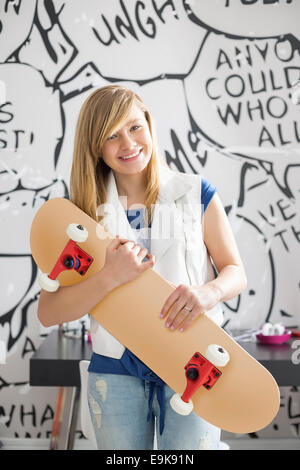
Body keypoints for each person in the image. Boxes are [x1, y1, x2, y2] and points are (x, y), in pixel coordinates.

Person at [37, 85, 247, 450]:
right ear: (95, 147)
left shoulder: (195, 192)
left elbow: (234, 271)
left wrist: (207, 292)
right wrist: (109, 277)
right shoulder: (79, 216)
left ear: (149, 125)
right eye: (111, 135)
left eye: (134, 127)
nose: (128, 143)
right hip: (117, 373)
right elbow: (49, 311)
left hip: (192, 365)